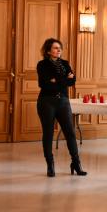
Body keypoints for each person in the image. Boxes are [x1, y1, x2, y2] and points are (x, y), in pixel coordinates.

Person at [36, 38, 87, 177]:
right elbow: (44, 84)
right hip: (46, 102)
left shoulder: (65, 63)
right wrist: (64, 80)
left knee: (70, 132)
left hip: (63, 101)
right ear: (48, 50)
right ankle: (50, 165)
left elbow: (72, 80)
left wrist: (56, 80)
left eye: (60, 48)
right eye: (55, 48)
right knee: (48, 133)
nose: (59, 50)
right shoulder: (42, 65)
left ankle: (76, 163)